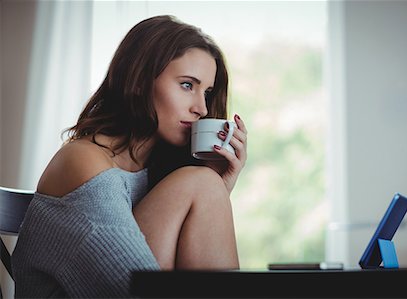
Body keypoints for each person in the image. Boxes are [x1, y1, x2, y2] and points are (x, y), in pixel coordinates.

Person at [11, 15, 247, 298]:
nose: (202, 109)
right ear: (139, 81)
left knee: (205, 183)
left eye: (207, 93)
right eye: (187, 85)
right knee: (202, 183)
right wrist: (210, 188)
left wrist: (220, 188)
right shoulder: (83, 161)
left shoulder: (157, 173)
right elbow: (136, 293)